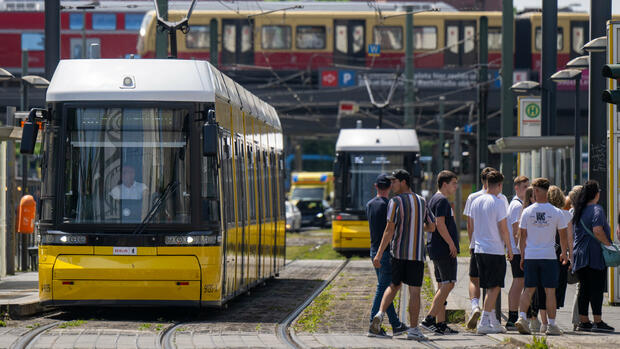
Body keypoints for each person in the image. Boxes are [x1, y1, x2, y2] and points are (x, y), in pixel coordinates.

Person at [370, 169, 436, 341]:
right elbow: (432, 226)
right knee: (415, 291)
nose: (392, 185)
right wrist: (417, 227)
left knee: (393, 285)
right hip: (416, 254)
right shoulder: (422, 201)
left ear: (404, 182)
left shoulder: (395, 202)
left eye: (394, 182)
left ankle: (379, 314)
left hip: (398, 252)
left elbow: (389, 229)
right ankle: (414, 330)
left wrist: (378, 254)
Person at [515, 178, 568, 336]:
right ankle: (551, 325)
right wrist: (564, 253)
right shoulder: (557, 212)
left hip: (531, 255)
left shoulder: (527, 211)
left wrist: (523, 256)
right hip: (549, 256)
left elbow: (522, 237)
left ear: (536, 191)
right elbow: (563, 236)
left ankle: (522, 317)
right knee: (550, 291)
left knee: (529, 289)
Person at [464, 167, 509, 329]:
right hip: (494, 249)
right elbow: (503, 228)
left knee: (478, 281)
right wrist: (509, 248)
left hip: (478, 247)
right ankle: (484, 321)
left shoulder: (475, 200)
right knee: (494, 286)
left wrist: (472, 243)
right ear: (499, 185)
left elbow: (471, 225)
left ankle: (493, 321)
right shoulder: (499, 201)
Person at [366, 173, 407, 338]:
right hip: (385, 251)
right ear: (389, 187)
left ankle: (396, 324)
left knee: (385, 288)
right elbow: (390, 230)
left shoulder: (369, 204)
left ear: (376, 186)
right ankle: (372, 325)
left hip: (374, 249)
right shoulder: (390, 205)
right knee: (384, 287)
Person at [572, 180, 615, 332]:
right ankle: (598, 321)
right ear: (596, 194)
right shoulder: (597, 209)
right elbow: (597, 230)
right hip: (594, 255)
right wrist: (608, 245)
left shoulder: (579, 210)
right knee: (596, 288)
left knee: (584, 288)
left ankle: (584, 321)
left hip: (580, 254)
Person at [421, 170, 460, 335]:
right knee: (448, 284)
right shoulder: (442, 200)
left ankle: (440, 324)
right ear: (445, 184)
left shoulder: (434, 199)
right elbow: (440, 224)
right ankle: (429, 319)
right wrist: (451, 243)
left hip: (434, 246)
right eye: (454, 183)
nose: (456, 187)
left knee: (441, 284)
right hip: (443, 248)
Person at [506, 176, 530, 330]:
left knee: (520, 282)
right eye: (524, 186)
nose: (527, 189)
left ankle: (517, 315)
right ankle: (513, 316)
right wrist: (519, 250)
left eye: (528, 186)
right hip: (518, 251)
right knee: (518, 282)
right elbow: (516, 230)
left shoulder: (519, 204)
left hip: (517, 250)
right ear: (516, 187)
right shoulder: (516, 206)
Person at [566, 185, 583, 331]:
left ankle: (577, 320)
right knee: (582, 286)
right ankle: (579, 319)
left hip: (575, 253)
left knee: (580, 286)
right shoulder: (579, 213)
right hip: (580, 253)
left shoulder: (570, 213)